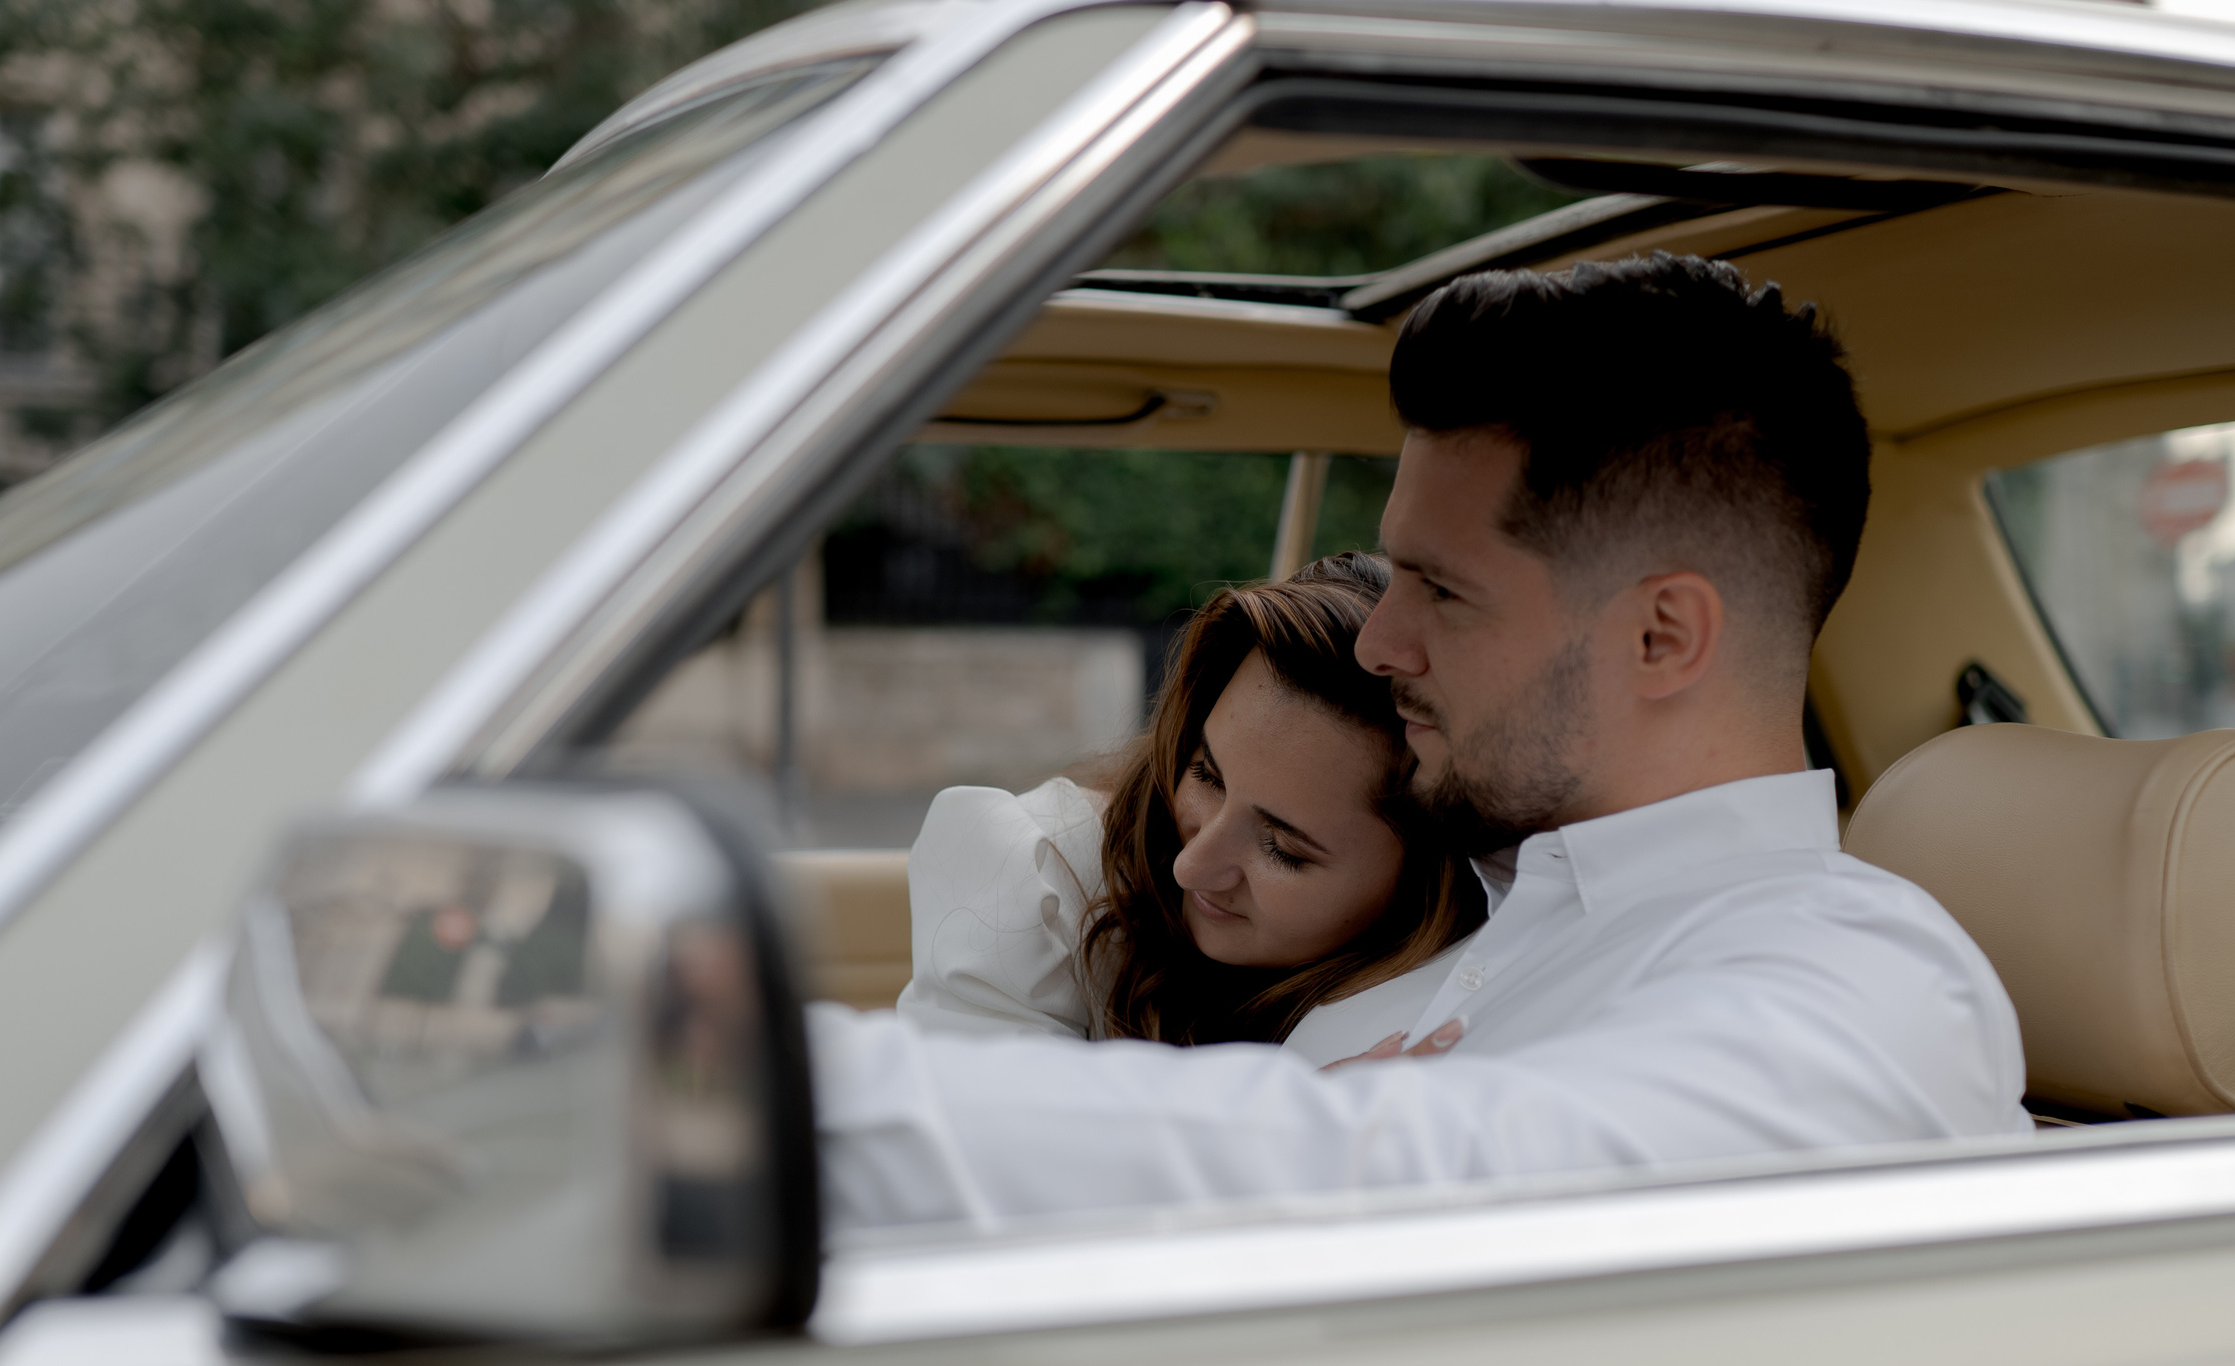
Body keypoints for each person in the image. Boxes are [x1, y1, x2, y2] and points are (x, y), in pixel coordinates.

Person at [811, 255, 2030, 1233]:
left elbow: (1451, 1179)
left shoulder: (1864, 987)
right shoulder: (1502, 900)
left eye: (1442, 593)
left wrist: (783, 1106)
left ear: (1661, 636)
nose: (1382, 642)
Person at [895, 553, 1484, 1062]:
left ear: (1422, 884)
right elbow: (984, 1160)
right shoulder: (1044, 880)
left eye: (1283, 849)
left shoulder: (1474, 972)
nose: (1190, 867)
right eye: (1207, 774)